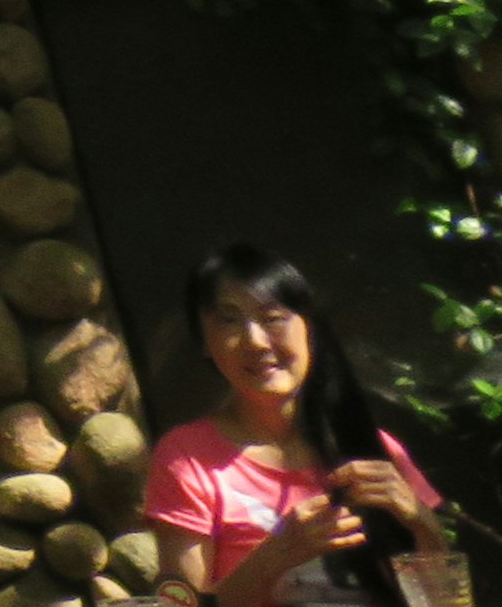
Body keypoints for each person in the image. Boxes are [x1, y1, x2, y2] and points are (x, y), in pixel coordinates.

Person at [144, 244, 454, 607]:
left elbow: (445, 602)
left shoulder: (374, 448)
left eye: (273, 317)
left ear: (309, 329)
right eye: (229, 320)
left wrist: (421, 522)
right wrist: (277, 555)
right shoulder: (187, 458)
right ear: (204, 343)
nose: (256, 342)